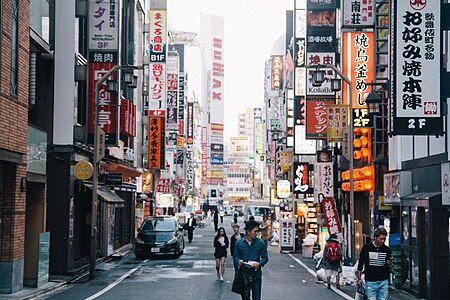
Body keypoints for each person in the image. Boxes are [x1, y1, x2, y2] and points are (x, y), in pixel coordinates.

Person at [233, 220, 269, 300]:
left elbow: (265, 257)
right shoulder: (239, 243)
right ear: (248, 232)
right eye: (255, 231)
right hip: (244, 275)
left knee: (256, 298)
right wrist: (238, 261)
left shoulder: (260, 243)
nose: (257, 233)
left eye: (257, 231)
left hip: (256, 276)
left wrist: (259, 264)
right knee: (245, 298)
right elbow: (235, 257)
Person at [356, 228, 392, 300]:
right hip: (371, 281)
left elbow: (390, 265)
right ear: (375, 237)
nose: (382, 241)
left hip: (383, 280)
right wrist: (359, 278)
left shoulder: (387, 249)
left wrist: (390, 264)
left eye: (384, 239)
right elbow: (361, 263)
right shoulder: (366, 248)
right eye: (380, 239)